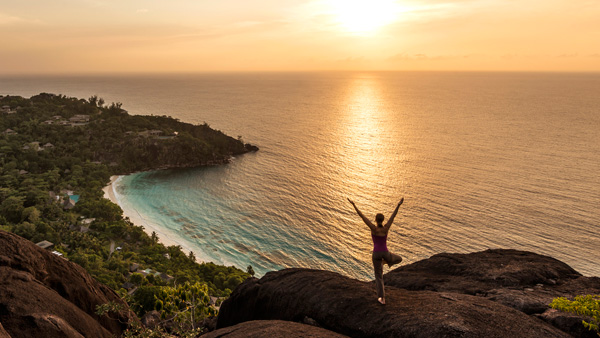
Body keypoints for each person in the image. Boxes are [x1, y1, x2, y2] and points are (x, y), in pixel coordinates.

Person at [348, 197, 404, 305]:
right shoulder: (386, 228)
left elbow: (362, 216)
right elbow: (393, 216)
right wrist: (398, 204)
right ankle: (387, 262)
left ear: (375, 219)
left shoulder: (373, 229)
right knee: (399, 259)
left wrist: (354, 205)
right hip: (385, 253)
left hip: (376, 254)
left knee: (379, 277)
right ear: (382, 220)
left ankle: (382, 298)